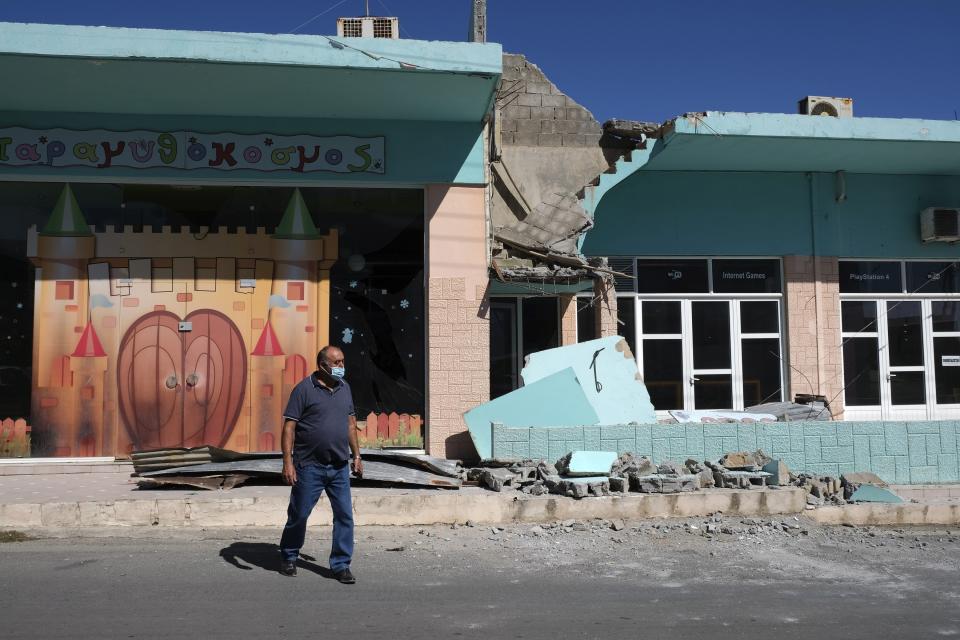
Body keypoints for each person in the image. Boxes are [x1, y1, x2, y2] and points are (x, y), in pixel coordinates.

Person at [278, 345, 362, 583]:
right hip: (309, 467)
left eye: (342, 362)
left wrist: (357, 455)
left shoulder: (345, 389)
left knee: (345, 516)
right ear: (322, 365)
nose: (341, 367)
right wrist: (288, 462)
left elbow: (350, 423)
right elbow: (289, 427)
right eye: (336, 363)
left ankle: (341, 564)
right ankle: (289, 555)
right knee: (299, 514)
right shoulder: (304, 390)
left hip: (338, 467)